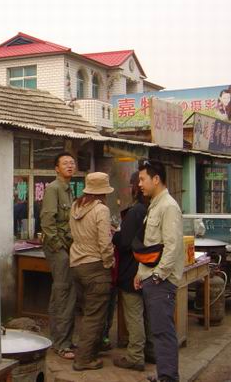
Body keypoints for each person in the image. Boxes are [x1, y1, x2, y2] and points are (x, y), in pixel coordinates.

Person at [134, 160, 184, 382]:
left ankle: (168, 378)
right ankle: (164, 373)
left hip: (161, 281)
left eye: (142, 179)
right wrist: (140, 272)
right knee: (158, 330)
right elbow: (151, 245)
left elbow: (172, 246)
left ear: (156, 179)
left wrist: (157, 276)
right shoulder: (155, 204)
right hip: (151, 277)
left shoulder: (168, 206)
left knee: (163, 332)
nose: (139, 184)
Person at [69, 172, 115, 371]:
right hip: (95, 266)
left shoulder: (75, 206)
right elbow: (105, 242)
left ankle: (88, 352)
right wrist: (109, 262)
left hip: (77, 264)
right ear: (103, 192)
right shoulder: (101, 210)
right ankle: (84, 359)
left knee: (85, 312)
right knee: (95, 316)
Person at [113, 171, 153, 372]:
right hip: (148, 269)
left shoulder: (136, 211)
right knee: (147, 314)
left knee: (134, 314)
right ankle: (151, 351)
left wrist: (115, 235)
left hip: (132, 270)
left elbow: (125, 242)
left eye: (132, 184)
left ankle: (135, 356)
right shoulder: (152, 208)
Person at [40, 152, 77, 359]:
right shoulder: (53, 189)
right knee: (63, 292)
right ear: (56, 168)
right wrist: (59, 247)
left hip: (68, 246)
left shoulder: (68, 189)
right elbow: (47, 222)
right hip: (57, 249)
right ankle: (61, 344)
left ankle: (63, 339)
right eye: (65, 163)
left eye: (72, 162)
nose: (70, 166)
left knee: (66, 293)